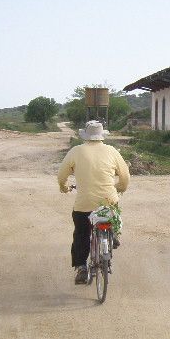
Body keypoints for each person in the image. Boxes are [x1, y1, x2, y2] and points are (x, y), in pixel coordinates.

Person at [57, 120, 130, 284]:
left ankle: (82, 267)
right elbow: (125, 177)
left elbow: (61, 176)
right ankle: (112, 234)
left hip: (84, 205)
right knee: (113, 214)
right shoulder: (112, 151)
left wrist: (64, 187)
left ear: (85, 135)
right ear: (102, 135)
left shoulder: (76, 151)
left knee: (81, 233)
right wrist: (119, 188)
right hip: (108, 201)